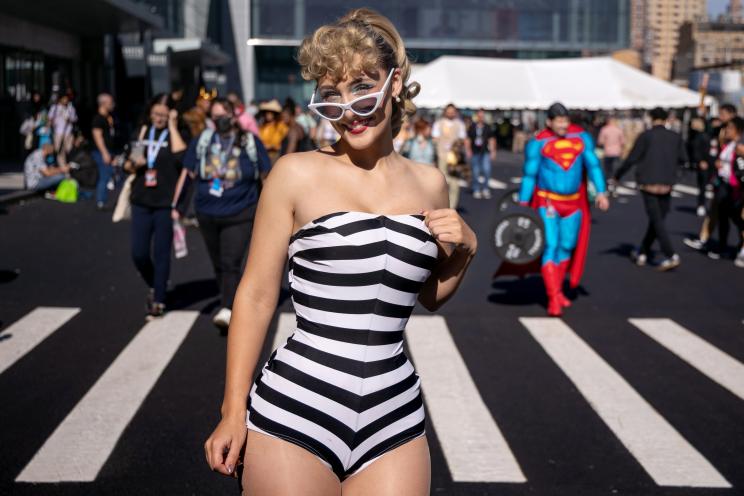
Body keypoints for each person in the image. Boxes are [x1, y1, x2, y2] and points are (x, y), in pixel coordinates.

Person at [203, 8, 477, 495]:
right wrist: (232, 411)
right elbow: (257, 295)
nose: (349, 110)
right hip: (296, 408)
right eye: (333, 97)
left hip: (395, 415)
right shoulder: (294, 173)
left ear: (395, 84)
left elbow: (429, 297)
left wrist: (465, 253)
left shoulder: (431, 183)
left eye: (363, 88)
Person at [174, 97, 272, 331]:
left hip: (241, 210)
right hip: (207, 211)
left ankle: (228, 308)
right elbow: (187, 173)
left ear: (234, 116)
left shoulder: (249, 142)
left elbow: (266, 176)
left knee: (231, 262)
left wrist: (273, 209)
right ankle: (232, 301)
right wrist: (176, 206)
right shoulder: (203, 141)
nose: (221, 121)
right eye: (215, 117)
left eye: (224, 116)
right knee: (218, 263)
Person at [518, 102, 609, 317]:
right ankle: (553, 297)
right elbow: (529, 175)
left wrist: (602, 192)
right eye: (558, 121)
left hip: (573, 203)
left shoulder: (581, 138)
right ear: (549, 122)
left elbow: (593, 165)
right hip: (547, 201)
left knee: (567, 246)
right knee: (551, 245)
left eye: (565, 120)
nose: (563, 124)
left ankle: (557, 291)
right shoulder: (539, 142)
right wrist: (522, 205)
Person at [123, 94, 187, 319]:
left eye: (163, 114)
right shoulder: (142, 132)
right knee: (138, 253)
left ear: (171, 114)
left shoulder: (176, 134)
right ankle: (156, 284)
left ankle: (159, 299)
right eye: (155, 114)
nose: (158, 118)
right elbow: (128, 164)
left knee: (161, 254)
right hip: (141, 200)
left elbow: (183, 158)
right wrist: (133, 163)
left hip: (165, 204)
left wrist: (172, 125)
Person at [612, 107, 687, 271]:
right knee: (657, 220)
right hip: (667, 183)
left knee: (656, 220)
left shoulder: (646, 136)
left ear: (652, 118)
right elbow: (683, 160)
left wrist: (617, 175)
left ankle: (671, 254)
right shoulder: (675, 137)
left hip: (649, 183)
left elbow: (632, 158)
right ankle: (643, 251)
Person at [706, 116, 744, 263]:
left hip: (736, 187)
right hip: (724, 184)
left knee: (736, 217)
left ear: (738, 130)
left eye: (729, 128)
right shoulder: (729, 144)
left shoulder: (740, 146)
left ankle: (737, 246)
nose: (726, 130)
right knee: (723, 216)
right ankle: (723, 247)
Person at [432, 103, 466, 209]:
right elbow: (435, 138)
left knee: (454, 183)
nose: (450, 113)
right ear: (445, 112)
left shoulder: (460, 124)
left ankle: (452, 207)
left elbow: (462, 139)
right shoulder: (439, 123)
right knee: (443, 182)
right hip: (442, 155)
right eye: (449, 111)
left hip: (455, 157)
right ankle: (441, 205)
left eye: (452, 111)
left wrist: (457, 147)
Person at [91, 93, 117, 210]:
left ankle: (106, 199)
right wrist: (104, 152)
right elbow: (98, 137)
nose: (113, 105)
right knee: (104, 175)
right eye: (110, 103)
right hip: (101, 151)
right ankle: (101, 200)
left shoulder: (109, 117)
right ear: (103, 104)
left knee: (111, 173)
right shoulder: (98, 119)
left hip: (110, 150)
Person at [465, 108, 496, 199]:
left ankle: (485, 188)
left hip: (485, 151)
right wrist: (468, 150)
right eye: (479, 116)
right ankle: (476, 189)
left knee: (487, 170)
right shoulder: (472, 126)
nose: (481, 118)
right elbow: (468, 139)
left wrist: (493, 151)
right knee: (475, 171)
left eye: (482, 116)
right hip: (475, 151)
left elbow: (492, 139)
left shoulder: (487, 127)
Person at [687, 117, 711, 216]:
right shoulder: (698, 136)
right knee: (702, 186)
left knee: (703, 186)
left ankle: (701, 205)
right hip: (703, 163)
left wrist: (701, 160)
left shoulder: (701, 137)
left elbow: (697, 150)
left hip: (705, 163)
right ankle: (701, 205)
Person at [597, 115, 625, 191]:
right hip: (617, 152)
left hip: (608, 152)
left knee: (608, 170)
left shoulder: (604, 129)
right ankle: (614, 185)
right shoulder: (619, 129)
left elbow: (600, 142)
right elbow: (623, 142)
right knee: (615, 170)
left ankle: (609, 186)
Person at [257, 99, 288, 164]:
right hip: (263, 155)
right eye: (266, 112)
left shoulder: (281, 125)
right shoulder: (262, 126)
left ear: (274, 114)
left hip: (276, 155)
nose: (268, 114)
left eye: (270, 112)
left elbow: (285, 140)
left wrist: (273, 146)